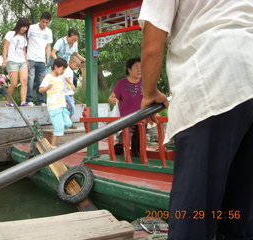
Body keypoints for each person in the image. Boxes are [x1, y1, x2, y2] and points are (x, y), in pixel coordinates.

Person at [139, 1, 253, 240]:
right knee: (242, 205)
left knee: (193, 208)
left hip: (215, 74)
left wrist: (149, 93)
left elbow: (152, 45)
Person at [108, 58, 142, 157]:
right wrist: (112, 99)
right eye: (136, 67)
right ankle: (116, 162)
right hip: (126, 121)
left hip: (141, 120)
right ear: (129, 69)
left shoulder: (146, 82)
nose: (139, 70)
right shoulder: (122, 83)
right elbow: (112, 97)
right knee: (123, 144)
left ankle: (137, 167)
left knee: (138, 147)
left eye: (141, 67)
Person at [39, 58, 72, 147]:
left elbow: (61, 91)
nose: (63, 71)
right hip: (54, 106)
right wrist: (47, 88)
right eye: (62, 69)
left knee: (68, 123)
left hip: (62, 105)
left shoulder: (61, 78)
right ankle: (52, 146)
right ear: (56, 67)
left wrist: (64, 102)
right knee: (59, 127)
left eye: (64, 70)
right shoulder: (48, 77)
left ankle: (58, 128)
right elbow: (40, 89)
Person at [2, 17, 31, 107]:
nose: (24, 29)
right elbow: (5, 47)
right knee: (14, 84)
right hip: (12, 61)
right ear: (19, 25)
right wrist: (4, 59)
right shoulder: (11, 34)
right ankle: (8, 102)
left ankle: (23, 102)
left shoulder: (24, 37)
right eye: (23, 26)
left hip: (22, 61)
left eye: (26, 27)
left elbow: (23, 50)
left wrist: (26, 61)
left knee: (24, 81)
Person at [26, 12, 53, 106]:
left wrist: (48, 59)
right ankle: (29, 100)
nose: (44, 24)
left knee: (41, 81)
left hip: (42, 60)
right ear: (39, 19)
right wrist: (25, 58)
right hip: (31, 58)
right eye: (43, 22)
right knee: (30, 79)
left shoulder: (49, 31)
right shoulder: (32, 28)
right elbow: (25, 41)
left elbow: (48, 46)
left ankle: (41, 101)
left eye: (47, 22)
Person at [63, 55, 81, 129]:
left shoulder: (71, 70)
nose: (77, 67)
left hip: (70, 93)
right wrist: (71, 84)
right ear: (71, 62)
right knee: (71, 108)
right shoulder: (67, 69)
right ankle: (67, 123)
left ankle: (68, 122)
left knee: (71, 108)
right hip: (66, 93)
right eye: (76, 65)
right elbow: (66, 78)